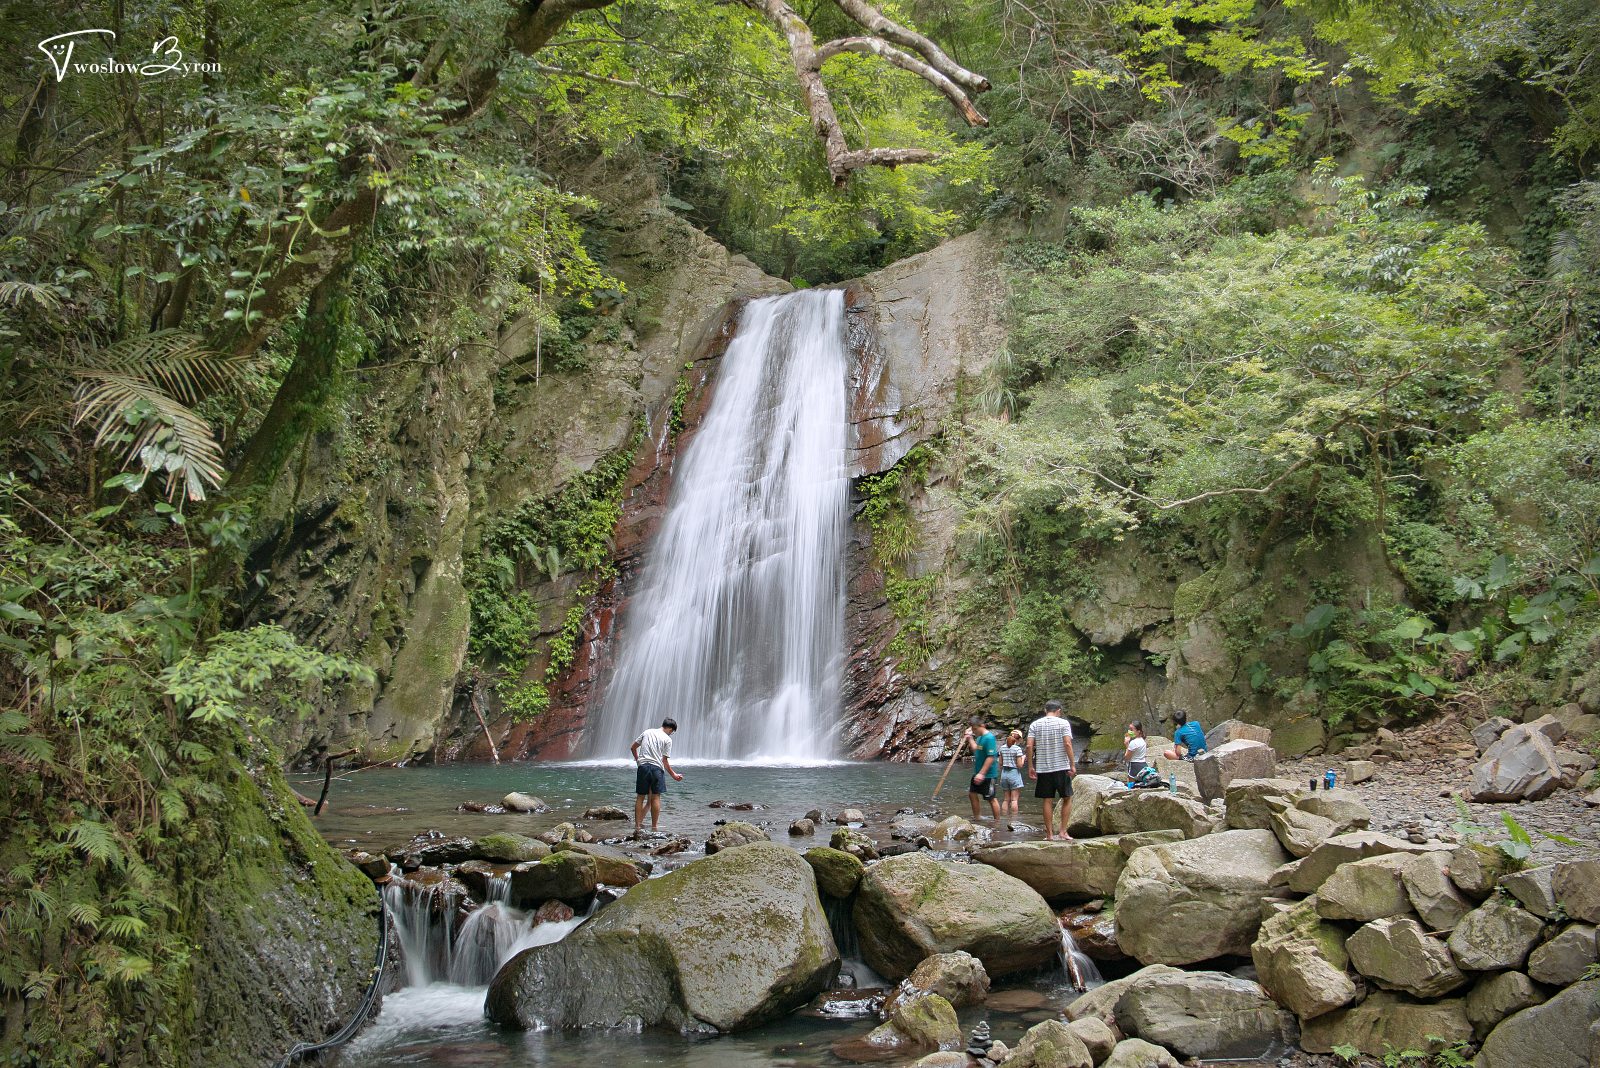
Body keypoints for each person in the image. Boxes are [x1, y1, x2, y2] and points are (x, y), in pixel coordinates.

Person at [1026, 699, 1077, 841]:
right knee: (1067, 798)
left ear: (1045, 710)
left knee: (1047, 800)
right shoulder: (1063, 723)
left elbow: (1029, 746)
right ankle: (1062, 832)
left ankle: (1049, 835)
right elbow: (1067, 743)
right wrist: (1072, 764)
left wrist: (1030, 766)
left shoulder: (1035, 724)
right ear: (1059, 711)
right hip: (1061, 767)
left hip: (1043, 768)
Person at [630, 718, 683, 837]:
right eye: (672, 731)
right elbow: (664, 761)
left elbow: (633, 747)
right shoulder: (667, 739)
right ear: (669, 728)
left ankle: (637, 826)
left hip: (643, 767)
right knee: (655, 798)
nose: (671, 734)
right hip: (656, 769)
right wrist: (674, 775)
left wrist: (638, 760)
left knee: (640, 797)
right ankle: (654, 827)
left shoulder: (647, 732)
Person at [964, 715, 1003, 821]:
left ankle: (997, 821)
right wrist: (970, 738)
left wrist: (982, 773)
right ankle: (977, 817)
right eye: (973, 729)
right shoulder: (980, 737)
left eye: (975, 729)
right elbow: (976, 749)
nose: (974, 731)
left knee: (991, 798)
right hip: (978, 772)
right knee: (972, 794)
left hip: (988, 774)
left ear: (982, 726)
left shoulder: (989, 738)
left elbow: (991, 757)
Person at [999, 729, 1027, 817]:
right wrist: (1023, 758)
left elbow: (1000, 763)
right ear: (1018, 739)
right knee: (1014, 800)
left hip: (1004, 774)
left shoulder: (1002, 748)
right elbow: (1019, 765)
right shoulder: (1017, 749)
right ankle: (1014, 821)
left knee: (1006, 800)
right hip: (1014, 773)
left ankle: (1003, 819)